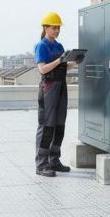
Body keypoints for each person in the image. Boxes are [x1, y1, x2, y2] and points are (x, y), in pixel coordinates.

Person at [34, 12, 82, 177]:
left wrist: (75, 62)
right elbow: (42, 69)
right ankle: (41, 164)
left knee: (59, 125)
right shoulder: (42, 46)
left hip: (61, 87)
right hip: (48, 88)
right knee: (47, 126)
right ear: (46, 28)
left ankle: (54, 161)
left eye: (58, 28)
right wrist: (60, 60)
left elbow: (64, 66)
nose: (56, 30)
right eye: (54, 28)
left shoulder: (59, 46)